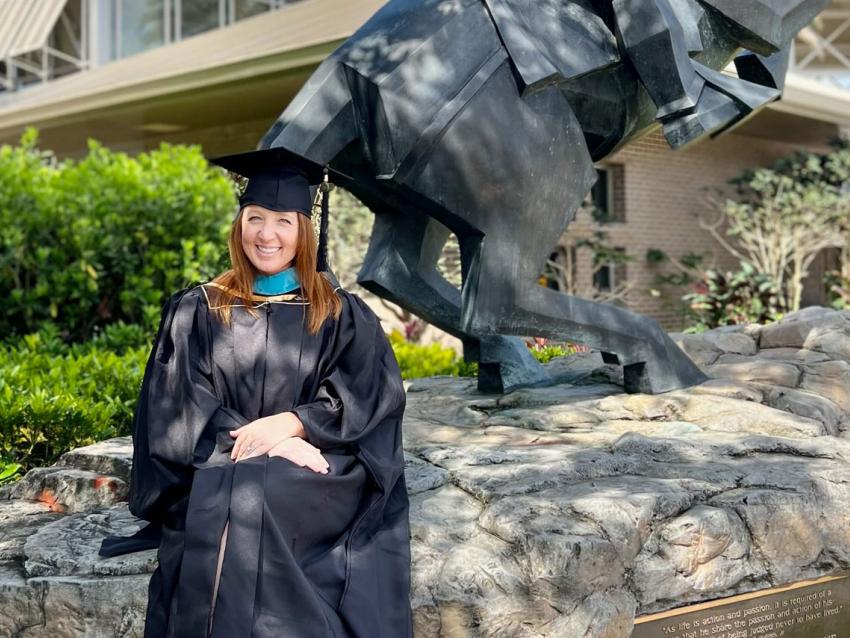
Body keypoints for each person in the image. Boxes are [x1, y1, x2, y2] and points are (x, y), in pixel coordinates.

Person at [99, 147, 413, 637]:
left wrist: (296, 425)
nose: (267, 234)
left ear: (304, 231)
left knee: (249, 493)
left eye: (284, 221)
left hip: (319, 468)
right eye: (256, 218)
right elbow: (178, 404)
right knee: (239, 488)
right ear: (239, 223)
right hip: (218, 457)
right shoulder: (199, 309)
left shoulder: (340, 312)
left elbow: (368, 396)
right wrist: (268, 441)